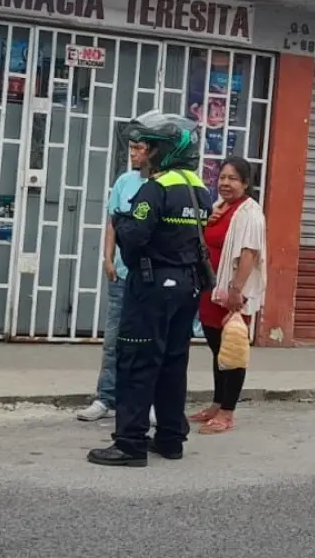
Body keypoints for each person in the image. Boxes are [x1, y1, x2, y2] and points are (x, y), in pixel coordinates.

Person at [86, 110, 212, 468]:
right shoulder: (199, 189)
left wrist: (124, 221)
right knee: (173, 364)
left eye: (144, 147)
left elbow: (134, 240)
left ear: (162, 151)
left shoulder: (154, 189)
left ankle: (130, 444)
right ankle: (171, 438)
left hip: (152, 287)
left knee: (136, 363)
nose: (137, 154)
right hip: (187, 287)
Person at [189, 156, 267, 435]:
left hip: (232, 293)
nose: (225, 183)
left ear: (246, 183)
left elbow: (249, 253)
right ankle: (217, 403)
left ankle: (227, 412)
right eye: (222, 177)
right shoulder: (221, 208)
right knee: (217, 349)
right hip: (212, 290)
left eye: (233, 178)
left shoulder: (249, 212)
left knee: (232, 352)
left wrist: (236, 291)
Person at [76, 139, 147, 423]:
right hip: (121, 274)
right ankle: (106, 397)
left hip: (149, 277)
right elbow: (112, 223)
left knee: (147, 343)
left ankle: (144, 400)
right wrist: (107, 257)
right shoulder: (124, 182)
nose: (133, 154)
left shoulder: (164, 184)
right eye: (131, 148)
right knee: (113, 340)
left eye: (139, 148)